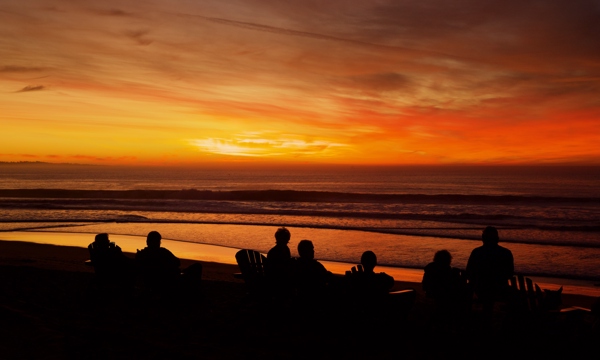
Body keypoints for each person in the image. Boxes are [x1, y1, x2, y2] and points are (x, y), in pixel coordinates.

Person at [466, 226, 514, 321]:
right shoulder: (506, 253)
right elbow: (509, 274)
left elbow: (469, 273)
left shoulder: (476, 252)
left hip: (480, 289)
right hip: (500, 289)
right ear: (497, 239)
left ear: (483, 238)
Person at [422, 250, 467, 327]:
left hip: (430, 291)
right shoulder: (447, 271)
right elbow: (454, 285)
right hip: (442, 293)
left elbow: (425, 284)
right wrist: (461, 276)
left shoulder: (430, 268)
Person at [265, 227, 294, 296]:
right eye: (286, 239)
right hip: (279, 280)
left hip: (273, 279)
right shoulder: (280, 251)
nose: (287, 240)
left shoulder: (274, 251)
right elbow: (284, 266)